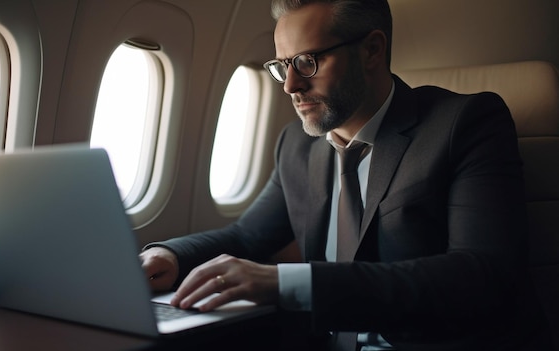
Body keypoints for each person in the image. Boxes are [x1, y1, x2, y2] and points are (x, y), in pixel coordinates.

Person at [140, 0, 549, 349]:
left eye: (307, 61)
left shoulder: (466, 123)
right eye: (283, 65)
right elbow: (248, 237)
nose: (290, 86)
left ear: (372, 50)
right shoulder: (296, 146)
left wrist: (287, 283)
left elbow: (479, 274)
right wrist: (171, 255)